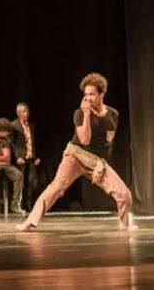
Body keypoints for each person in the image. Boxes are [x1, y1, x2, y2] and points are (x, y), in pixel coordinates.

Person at [16, 73, 138, 232]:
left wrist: (101, 164)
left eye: (92, 94)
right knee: (56, 188)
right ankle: (29, 222)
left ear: (102, 94)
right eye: (86, 95)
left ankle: (124, 224)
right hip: (75, 156)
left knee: (124, 194)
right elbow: (85, 140)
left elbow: (108, 143)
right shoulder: (79, 114)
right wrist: (87, 114)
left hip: (95, 161)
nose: (88, 98)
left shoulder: (113, 115)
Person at [11, 102, 41, 211]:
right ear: (18, 113)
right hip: (21, 159)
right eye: (24, 111)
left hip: (31, 158)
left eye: (27, 111)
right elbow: (12, 143)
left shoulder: (32, 126)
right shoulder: (14, 125)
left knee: (34, 182)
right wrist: (17, 157)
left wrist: (37, 156)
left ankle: (28, 204)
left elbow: (35, 142)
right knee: (21, 182)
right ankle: (18, 205)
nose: (26, 113)